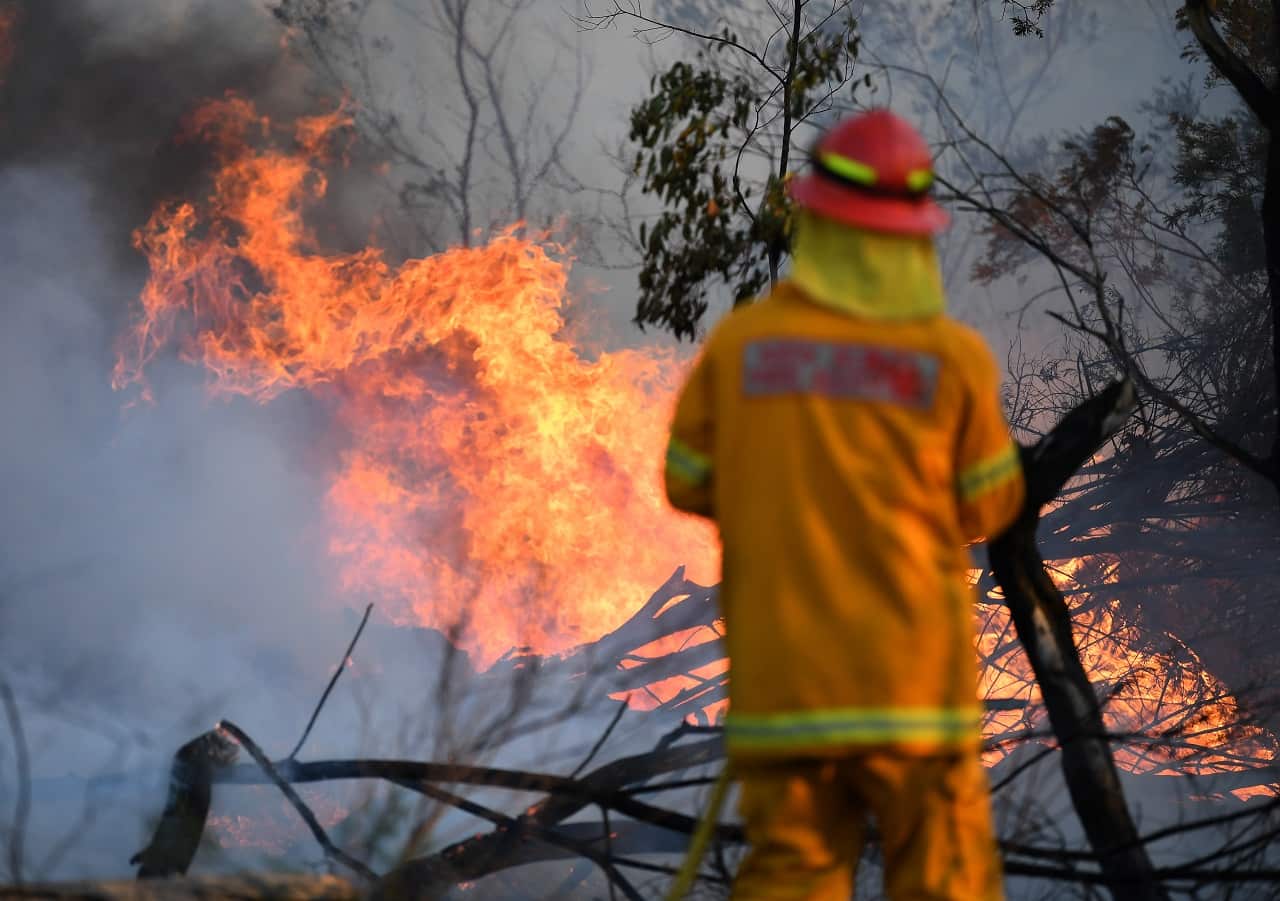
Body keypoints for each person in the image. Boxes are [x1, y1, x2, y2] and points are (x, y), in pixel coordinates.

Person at [663, 109, 1025, 901]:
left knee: (789, 882)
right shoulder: (952, 361)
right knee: (945, 883)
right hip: (915, 701)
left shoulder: (741, 346)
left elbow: (685, 479)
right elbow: (991, 507)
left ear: (816, 219)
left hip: (784, 696)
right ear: (915, 236)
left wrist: (772, 489)